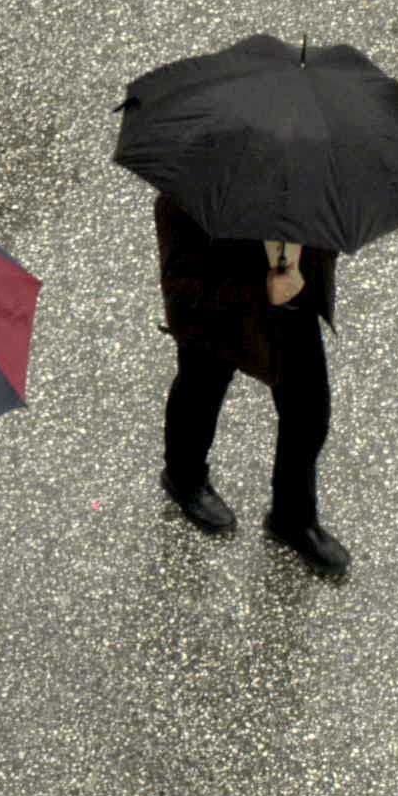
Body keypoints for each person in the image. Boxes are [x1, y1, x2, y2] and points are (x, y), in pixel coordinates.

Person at [153, 194, 348, 575]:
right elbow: (182, 283)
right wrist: (266, 288)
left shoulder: (309, 175)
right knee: (202, 387)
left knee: (308, 413)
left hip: (292, 301)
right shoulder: (190, 195)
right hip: (219, 307)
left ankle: (293, 517)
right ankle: (184, 477)